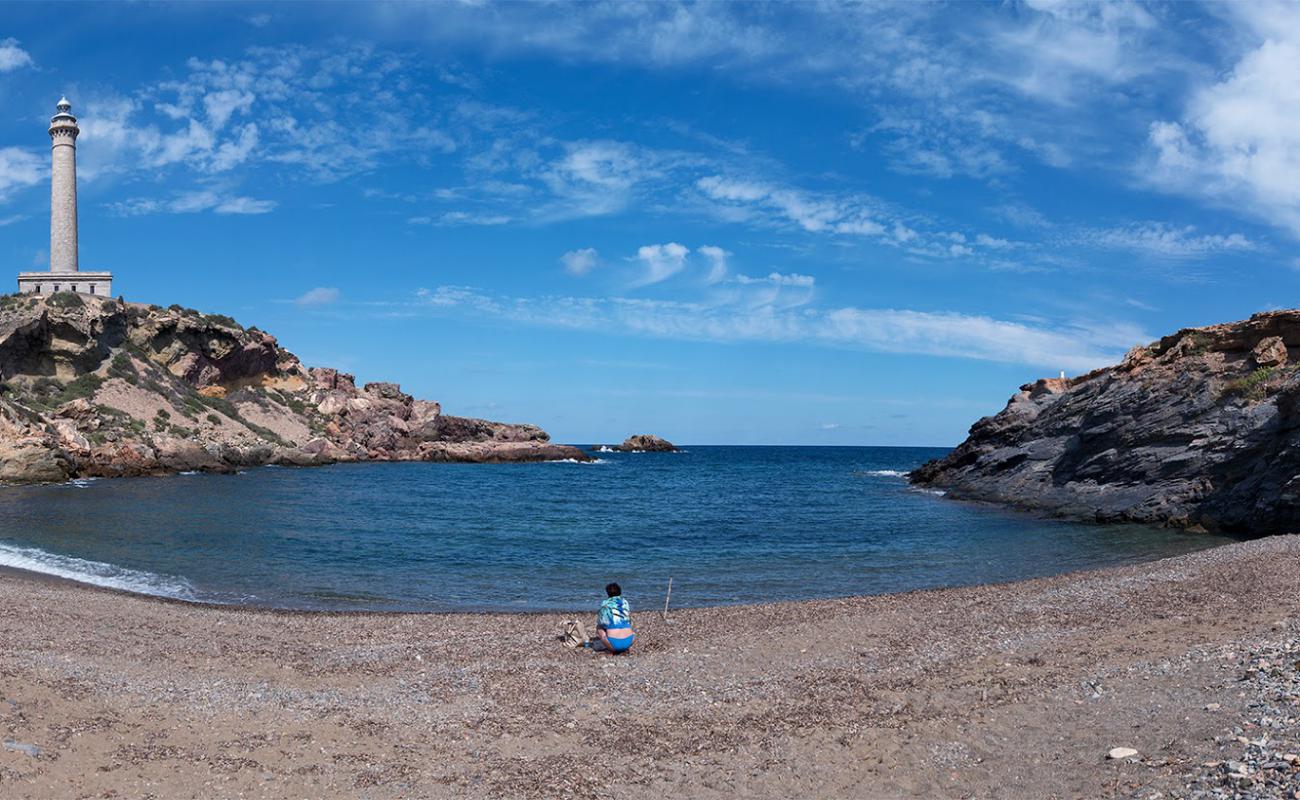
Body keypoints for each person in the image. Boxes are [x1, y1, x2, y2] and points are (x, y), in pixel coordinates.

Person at [586, 582, 634, 654]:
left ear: (607, 593)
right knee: (627, 622)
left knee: (599, 627)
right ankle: (625, 646)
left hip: (614, 645)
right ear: (620, 592)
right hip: (630, 640)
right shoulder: (625, 602)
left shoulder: (606, 604)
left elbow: (601, 622)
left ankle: (610, 648)